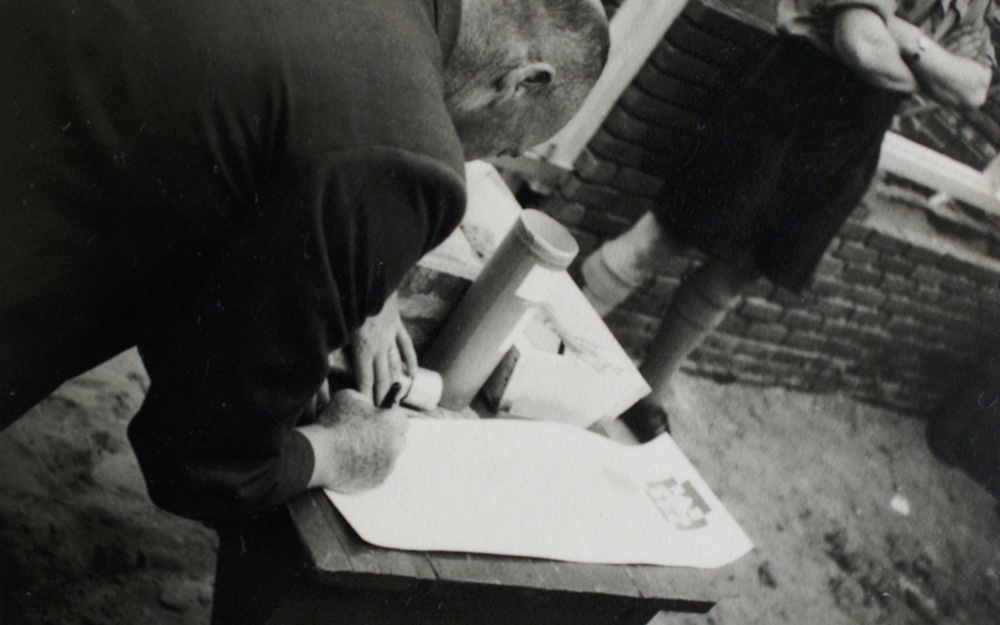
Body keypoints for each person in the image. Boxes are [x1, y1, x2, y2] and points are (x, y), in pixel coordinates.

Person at [0, 0, 609, 523]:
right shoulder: (412, 159)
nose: (481, 159)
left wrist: (363, 275)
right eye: (506, 146)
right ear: (524, 81)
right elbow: (203, 462)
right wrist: (342, 452)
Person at [580, 0, 994, 441]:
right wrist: (930, 77)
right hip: (789, 95)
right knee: (667, 233)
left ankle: (648, 392)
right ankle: (553, 335)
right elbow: (861, 44)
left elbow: (974, 89)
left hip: (849, 138)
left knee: (736, 273)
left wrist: (912, 41)